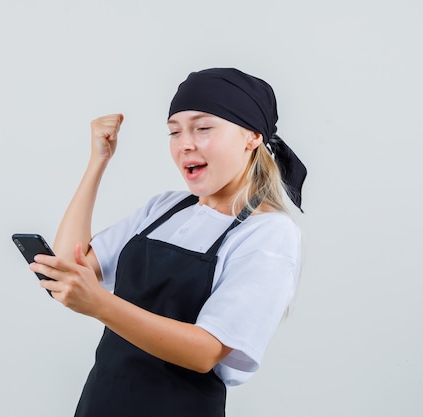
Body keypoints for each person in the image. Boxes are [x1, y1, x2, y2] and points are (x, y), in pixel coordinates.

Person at [29, 67, 307, 417]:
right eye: (174, 132)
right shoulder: (164, 208)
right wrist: (97, 161)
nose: (185, 143)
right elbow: (71, 265)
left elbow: (206, 351)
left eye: (203, 128)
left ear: (252, 136)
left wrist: (100, 304)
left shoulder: (268, 233)